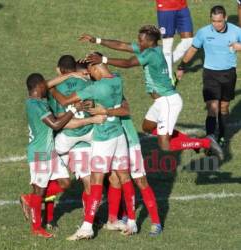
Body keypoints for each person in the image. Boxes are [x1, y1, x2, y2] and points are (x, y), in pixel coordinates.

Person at [79, 25, 223, 160]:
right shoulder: (148, 49)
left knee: (165, 146)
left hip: (168, 101)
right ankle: (191, 142)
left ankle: (204, 143)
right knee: (147, 127)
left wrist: (104, 59)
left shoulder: (152, 54)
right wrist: (96, 40)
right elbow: (122, 45)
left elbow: (129, 63)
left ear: (150, 41)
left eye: (140, 40)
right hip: (160, 101)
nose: (138, 42)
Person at [50, 57, 137, 240]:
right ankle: (131, 222)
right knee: (121, 177)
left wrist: (51, 88)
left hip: (103, 137)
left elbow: (66, 102)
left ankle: (87, 226)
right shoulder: (117, 79)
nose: (91, 75)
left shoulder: (95, 88)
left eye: (91, 71)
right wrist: (103, 110)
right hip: (118, 134)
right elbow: (125, 109)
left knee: (96, 181)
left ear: (96, 68)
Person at [88, 99, 162, 236]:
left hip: (130, 143)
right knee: (115, 179)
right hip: (111, 143)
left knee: (140, 181)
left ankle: (156, 222)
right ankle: (118, 217)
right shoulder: (94, 94)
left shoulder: (116, 92)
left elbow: (125, 107)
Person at [20, 73, 81, 238]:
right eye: (44, 86)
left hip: (50, 153)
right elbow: (55, 125)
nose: (47, 88)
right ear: (39, 87)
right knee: (39, 192)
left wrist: (72, 74)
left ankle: (29, 198)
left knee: (65, 182)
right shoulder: (35, 106)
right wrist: (74, 109)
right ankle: (37, 228)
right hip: (40, 154)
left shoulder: (38, 99)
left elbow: (48, 83)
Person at [176, 5, 241, 148]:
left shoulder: (236, 31)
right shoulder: (204, 32)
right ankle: (210, 138)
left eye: (219, 21)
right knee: (212, 107)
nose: (216, 24)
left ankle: (222, 135)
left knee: (224, 107)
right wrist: (182, 66)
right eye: (213, 21)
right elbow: (193, 49)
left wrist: (239, 46)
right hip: (210, 73)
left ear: (224, 18)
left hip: (229, 74)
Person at [155, 0, 194, 80]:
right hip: (165, 7)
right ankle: (168, 78)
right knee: (168, 44)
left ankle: (165, 65)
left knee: (189, 40)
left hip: (182, 6)